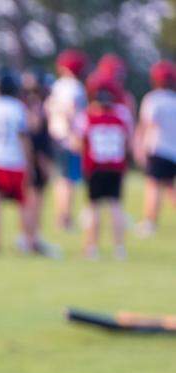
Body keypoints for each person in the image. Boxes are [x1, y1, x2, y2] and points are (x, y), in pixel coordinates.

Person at [0, 69, 52, 256]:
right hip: (13, 160)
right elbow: (24, 138)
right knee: (25, 202)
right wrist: (29, 164)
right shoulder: (17, 107)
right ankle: (29, 241)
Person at [75, 73, 133, 260]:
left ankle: (91, 248)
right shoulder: (121, 115)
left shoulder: (87, 117)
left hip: (95, 167)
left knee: (93, 208)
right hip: (115, 166)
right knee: (115, 206)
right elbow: (127, 141)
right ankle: (119, 249)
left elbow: (78, 143)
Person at [45, 49, 88, 231]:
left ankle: (60, 217)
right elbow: (70, 111)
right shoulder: (73, 86)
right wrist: (73, 135)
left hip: (55, 134)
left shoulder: (57, 85)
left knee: (60, 179)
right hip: (67, 136)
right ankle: (65, 219)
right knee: (67, 180)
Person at [134, 59, 176, 236]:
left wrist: (139, 146)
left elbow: (148, 124)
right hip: (173, 150)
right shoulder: (174, 100)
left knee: (153, 186)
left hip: (158, 148)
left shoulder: (153, 99)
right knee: (170, 187)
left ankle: (150, 222)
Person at [23, 70, 58, 255]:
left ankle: (31, 237)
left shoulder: (30, 106)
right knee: (34, 201)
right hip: (36, 162)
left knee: (34, 201)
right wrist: (42, 163)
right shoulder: (36, 109)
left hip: (32, 161)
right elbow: (36, 140)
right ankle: (31, 239)